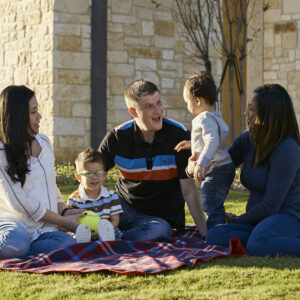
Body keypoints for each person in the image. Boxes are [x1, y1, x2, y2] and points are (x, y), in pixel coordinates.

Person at [187, 84, 300, 256]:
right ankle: (268, 239)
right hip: (258, 220)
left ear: (268, 116)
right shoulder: (247, 140)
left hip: (288, 217)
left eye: (251, 109)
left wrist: (237, 220)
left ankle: (268, 239)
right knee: (215, 235)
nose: (246, 114)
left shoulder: (287, 150)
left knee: (258, 245)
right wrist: (195, 163)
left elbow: (271, 205)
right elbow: (221, 164)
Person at [98, 79, 207, 241]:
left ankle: (114, 236)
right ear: (133, 112)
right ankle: (108, 231)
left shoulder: (179, 134)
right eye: (149, 106)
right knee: (92, 214)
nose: (158, 110)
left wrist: (205, 232)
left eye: (158, 102)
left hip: (160, 218)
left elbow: (189, 190)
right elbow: (93, 174)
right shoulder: (117, 137)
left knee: (159, 231)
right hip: (123, 208)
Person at [0, 85, 84, 259]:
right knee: (17, 241)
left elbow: (50, 184)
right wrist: (64, 222)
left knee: (67, 243)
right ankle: (20, 249)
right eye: (33, 112)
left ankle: (23, 252)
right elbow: (19, 202)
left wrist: (64, 211)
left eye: (37, 110)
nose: (39, 116)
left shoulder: (44, 142)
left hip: (43, 228)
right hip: (12, 226)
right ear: (18, 117)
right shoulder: (2, 151)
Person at [179, 71, 235, 230]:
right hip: (224, 167)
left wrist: (201, 164)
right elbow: (211, 139)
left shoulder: (203, 118)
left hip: (216, 168)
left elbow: (212, 140)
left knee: (209, 202)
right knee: (214, 202)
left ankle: (216, 234)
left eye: (187, 102)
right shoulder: (215, 116)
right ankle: (223, 224)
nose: (188, 106)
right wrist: (192, 144)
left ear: (196, 100)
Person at [67, 147, 123, 242]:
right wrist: (87, 232)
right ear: (79, 177)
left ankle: (106, 243)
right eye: (89, 174)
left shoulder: (112, 195)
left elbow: (115, 221)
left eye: (99, 173)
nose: (94, 177)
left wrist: (103, 232)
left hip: (107, 232)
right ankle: (84, 245)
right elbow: (71, 223)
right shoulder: (74, 200)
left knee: (116, 234)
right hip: (84, 234)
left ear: (105, 175)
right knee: (73, 238)